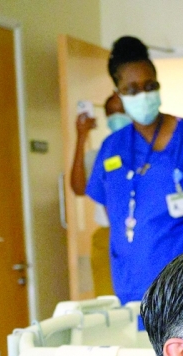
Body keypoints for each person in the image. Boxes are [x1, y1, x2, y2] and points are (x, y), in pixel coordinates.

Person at [86, 36, 183, 307]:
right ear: (118, 93)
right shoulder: (112, 147)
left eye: (150, 86)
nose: (143, 95)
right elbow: (112, 209)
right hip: (136, 287)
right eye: (132, 89)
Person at [70, 92, 131, 296]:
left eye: (121, 111)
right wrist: (81, 136)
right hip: (108, 235)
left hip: (143, 233)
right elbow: (78, 187)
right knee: (109, 301)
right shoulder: (101, 153)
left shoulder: (151, 149)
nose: (117, 117)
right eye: (111, 113)